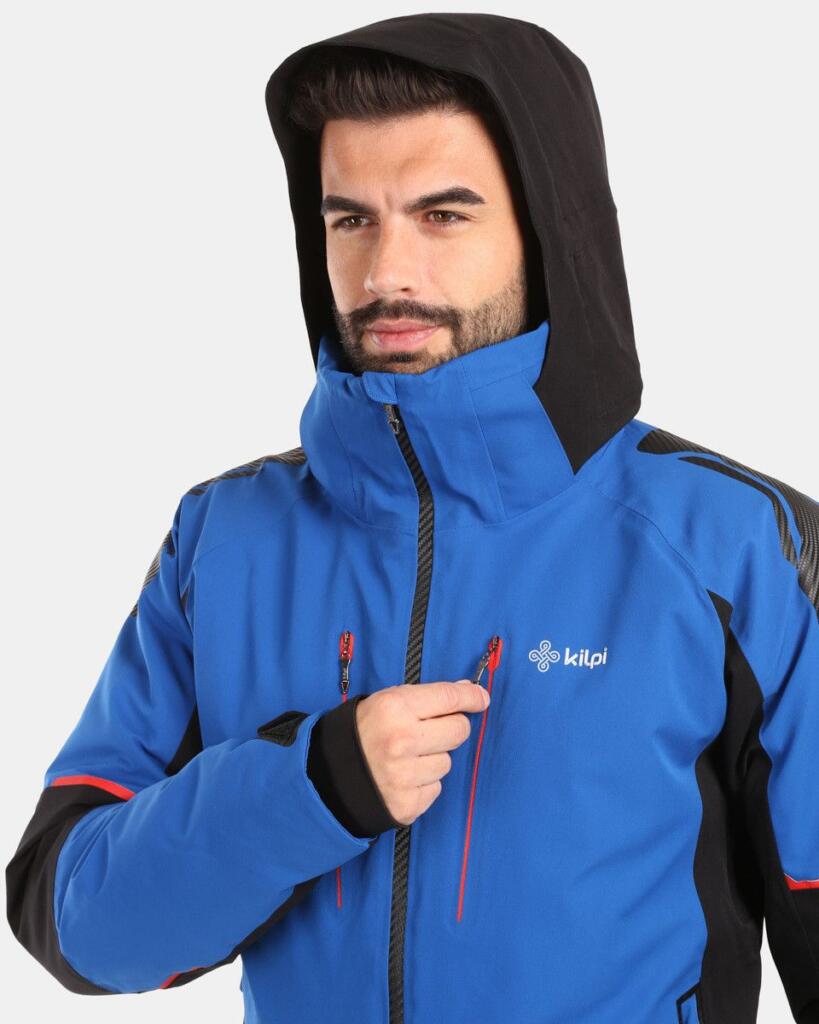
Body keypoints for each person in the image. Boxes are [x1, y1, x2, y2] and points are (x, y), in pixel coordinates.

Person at [6, 12, 818, 1024]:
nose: (385, 271)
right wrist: (311, 787)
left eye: (442, 215)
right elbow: (73, 921)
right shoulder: (223, 543)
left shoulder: (739, 550)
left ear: (547, 230)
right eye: (351, 219)